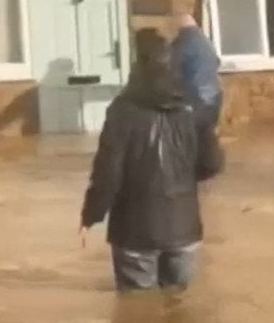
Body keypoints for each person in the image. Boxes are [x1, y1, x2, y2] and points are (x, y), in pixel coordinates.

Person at [79, 32, 223, 292]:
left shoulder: (122, 111)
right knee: (180, 313)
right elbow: (212, 163)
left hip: (135, 232)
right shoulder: (193, 106)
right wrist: (183, 181)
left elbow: (107, 176)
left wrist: (90, 216)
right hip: (184, 229)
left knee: (137, 315)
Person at [168, 12, 222, 130]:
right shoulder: (207, 41)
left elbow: (170, 70)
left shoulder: (181, 43)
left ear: (179, 28)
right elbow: (217, 62)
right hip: (214, 99)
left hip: (194, 102)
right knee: (207, 139)